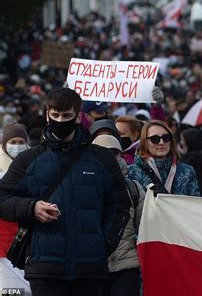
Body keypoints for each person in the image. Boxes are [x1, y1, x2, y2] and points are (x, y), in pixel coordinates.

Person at [0, 88, 130, 296]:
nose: (61, 120)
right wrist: (31, 208)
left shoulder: (102, 159)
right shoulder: (28, 160)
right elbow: (2, 199)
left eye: (67, 115)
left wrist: (103, 243)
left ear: (78, 116)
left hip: (89, 269)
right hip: (45, 269)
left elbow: (120, 204)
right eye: (56, 115)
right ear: (47, 115)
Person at [92, 135, 145, 296]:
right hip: (91, 268)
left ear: (121, 156)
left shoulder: (134, 188)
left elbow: (145, 228)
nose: (109, 157)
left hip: (126, 268)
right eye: (103, 152)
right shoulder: (80, 187)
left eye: (114, 152)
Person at [127, 120, 200, 196]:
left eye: (165, 138)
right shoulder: (132, 172)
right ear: (145, 142)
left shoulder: (187, 171)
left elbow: (195, 204)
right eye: (155, 139)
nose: (161, 142)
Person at [0, 123, 31, 295]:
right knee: (11, 292)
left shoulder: (34, 166)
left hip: (28, 244)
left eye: (21, 141)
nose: (17, 146)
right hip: (4, 244)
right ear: (5, 144)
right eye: (13, 141)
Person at [178, 128, 202, 197]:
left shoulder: (193, 159)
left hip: (196, 194)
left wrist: (183, 156)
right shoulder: (200, 154)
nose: (181, 142)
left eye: (182, 140)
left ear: (189, 141)